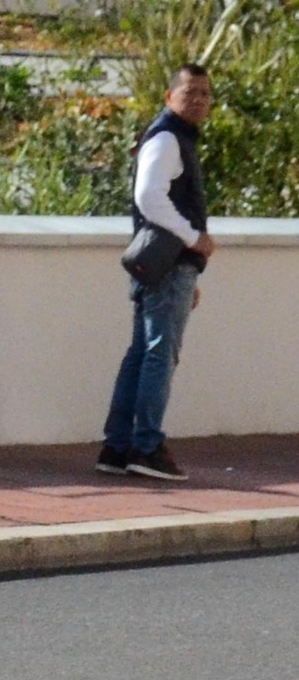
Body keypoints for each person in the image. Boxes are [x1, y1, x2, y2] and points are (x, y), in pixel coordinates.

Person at [99, 63, 216, 482]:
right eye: (190, 93)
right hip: (167, 265)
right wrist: (192, 238)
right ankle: (145, 447)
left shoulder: (174, 137)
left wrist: (191, 269)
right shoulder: (167, 138)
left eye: (205, 93)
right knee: (159, 356)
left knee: (143, 353)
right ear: (170, 97)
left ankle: (117, 446)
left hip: (164, 266)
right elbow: (149, 197)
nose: (199, 100)